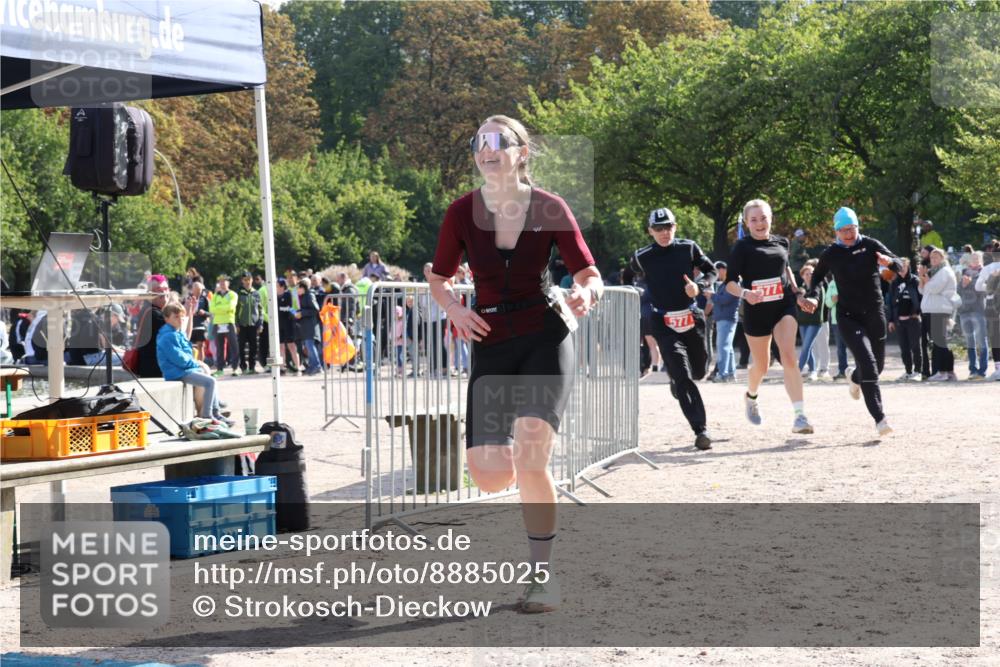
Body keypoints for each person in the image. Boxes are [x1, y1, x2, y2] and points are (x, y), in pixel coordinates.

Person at [427, 114, 602, 613]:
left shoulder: (549, 207)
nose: (486, 149)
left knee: (530, 458)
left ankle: (541, 578)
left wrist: (587, 292)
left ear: (521, 152)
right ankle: (528, 478)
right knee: (488, 474)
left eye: (497, 141)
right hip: (491, 342)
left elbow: (589, 272)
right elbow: (440, 279)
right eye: (478, 142)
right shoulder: (461, 212)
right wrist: (456, 308)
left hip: (545, 337)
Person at [802, 207, 902, 435]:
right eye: (843, 230)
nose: (848, 234)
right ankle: (880, 419)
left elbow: (900, 264)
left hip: (874, 313)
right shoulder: (831, 253)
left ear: (858, 227)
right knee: (868, 363)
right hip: (848, 316)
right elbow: (817, 278)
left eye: (852, 228)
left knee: (876, 368)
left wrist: (890, 262)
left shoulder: (870, 245)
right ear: (836, 231)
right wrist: (812, 296)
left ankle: (854, 377)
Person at [725, 199, 814, 434]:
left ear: (771, 218)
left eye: (764, 218)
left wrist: (797, 293)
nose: (760, 223)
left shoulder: (782, 242)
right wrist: (746, 294)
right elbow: (730, 283)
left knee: (789, 357)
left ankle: (800, 416)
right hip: (756, 311)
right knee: (761, 366)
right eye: (754, 220)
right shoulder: (741, 247)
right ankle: (751, 396)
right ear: (746, 223)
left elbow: (786, 270)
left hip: (783, 306)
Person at [631, 207, 717, 449]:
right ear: (650, 231)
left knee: (700, 371)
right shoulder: (642, 256)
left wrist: (699, 286)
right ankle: (701, 430)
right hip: (663, 321)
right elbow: (629, 275)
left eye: (668, 227)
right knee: (683, 377)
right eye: (658, 228)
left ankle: (677, 381)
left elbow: (711, 271)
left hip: (691, 316)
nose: (664, 232)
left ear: (675, 227)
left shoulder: (688, 248)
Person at [157, 303, 234, 426]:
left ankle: (216, 412)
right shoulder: (167, 336)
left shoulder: (177, 332)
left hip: (182, 369)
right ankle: (207, 415)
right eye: (176, 317)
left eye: (182, 316)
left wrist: (195, 364)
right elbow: (179, 359)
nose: (180, 319)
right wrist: (194, 364)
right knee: (210, 382)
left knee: (208, 375)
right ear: (167, 319)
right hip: (176, 372)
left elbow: (186, 354)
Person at [918, 247, 958, 382]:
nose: (933, 259)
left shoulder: (945, 271)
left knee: (940, 342)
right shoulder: (934, 271)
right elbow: (923, 290)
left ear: (943, 258)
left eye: (936, 257)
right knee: (941, 342)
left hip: (939, 309)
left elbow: (934, 288)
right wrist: (923, 279)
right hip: (933, 309)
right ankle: (949, 372)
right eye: (931, 257)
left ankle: (942, 371)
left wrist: (925, 279)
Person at [886, 258, 923, 381]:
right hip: (899, 321)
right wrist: (891, 320)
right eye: (899, 268)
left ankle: (918, 371)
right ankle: (908, 371)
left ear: (908, 267)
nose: (902, 270)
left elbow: (920, 299)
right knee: (904, 348)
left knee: (915, 347)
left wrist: (917, 313)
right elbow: (891, 303)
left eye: (904, 267)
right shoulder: (894, 283)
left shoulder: (915, 281)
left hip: (913, 320)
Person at [957, 251, 989, 380]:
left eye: (977, 258)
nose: (975, 260)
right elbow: (958, 290)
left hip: (979, 310)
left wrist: (970, 284)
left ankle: (982, 371)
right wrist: (963, 285)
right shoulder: (965, 272)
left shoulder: (984, 273)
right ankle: (973, 370)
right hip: (964, 311)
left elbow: (984, 290)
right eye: (973, 258)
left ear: (981, 260)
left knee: (981, 341)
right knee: (970, 341)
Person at [135, 275, 171, 378]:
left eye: (165, 289)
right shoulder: (154, 314)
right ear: (150, 293)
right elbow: (181, 335)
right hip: (154, 370)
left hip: (151, 368)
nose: (163, 292)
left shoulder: (149, 309)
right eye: (159, 289)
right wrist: (188, 312)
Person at [709, 261, 739, 383]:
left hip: (727, 318)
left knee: (723, 347)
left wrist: (712, 296)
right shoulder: (726, 283)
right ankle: (730, 373)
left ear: (722, 270)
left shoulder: (732, 283)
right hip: (724, 318)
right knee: (728, 347)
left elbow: (725, 300)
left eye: (716, 272)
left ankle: (723, 374)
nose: (716, 275)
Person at [795, 262, 825, 381]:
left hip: (815, 321)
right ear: (802, 275)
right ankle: (813, 371)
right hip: (802, 321)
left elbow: (818, 305)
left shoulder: (818, 287)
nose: (809, 275)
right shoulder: (800, 289)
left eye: (811, 273)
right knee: (809, 347)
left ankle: (797, 372)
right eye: (806, 274)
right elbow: (797, 305)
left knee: (806, 347)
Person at [975, 250, 1000, 380]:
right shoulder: (988, 268)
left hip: (991, 304)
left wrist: (990, 285)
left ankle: (998, 369)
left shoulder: (987, 268)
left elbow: (978, 286)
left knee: (995, 337)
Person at [235, 272, 263, 375]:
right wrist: (236, 324)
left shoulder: (256, 293)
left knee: (253, 347)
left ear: (252, 280)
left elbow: (260, 310)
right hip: (242, 325)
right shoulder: (239, 293)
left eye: (249, 279)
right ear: (242, 281)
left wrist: (260, 324)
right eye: (245, 280)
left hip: (253, 325)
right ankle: (243, 367)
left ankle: (252, 367)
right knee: (241, 347)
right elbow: (236, 310)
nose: (247, 282)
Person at [294, 279, 321, 375]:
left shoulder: (310, 295)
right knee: (308, 346)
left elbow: (315, 309)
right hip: (306, 326)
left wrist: (302, 313)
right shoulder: (302, 296)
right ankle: (313, 366)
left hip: (311, 326)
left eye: (298, 288)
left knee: (310, 346)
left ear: (303, 288)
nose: (296, 290)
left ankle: (317, 366)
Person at [275, 278, 302, 374]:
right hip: (279, 324)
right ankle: (283, 368)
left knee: (291, 346)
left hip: (289, 323)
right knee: (281, 346)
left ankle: (298, 367)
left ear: (282, 286)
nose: (275, 287)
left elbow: (291, 308)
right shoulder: (274, 296)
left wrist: (294, 313)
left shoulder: (288, 294)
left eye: (277, 285)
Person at [186, 281, 210, 361]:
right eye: (195, 289)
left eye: (199, 290)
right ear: (192, 289)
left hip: (201, 325)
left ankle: (201, 364)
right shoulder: (188, 298)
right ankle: (192, 363)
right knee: (190, 346)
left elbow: (210, 313)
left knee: (200, 346)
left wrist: (204, 313)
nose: (197, 291)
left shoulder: (205, 299)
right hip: (190, 326)